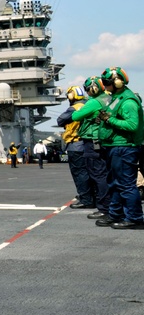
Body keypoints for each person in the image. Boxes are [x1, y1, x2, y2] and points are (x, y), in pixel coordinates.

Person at [93, 67, 144, 230]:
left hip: (123, 147)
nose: (105, 86)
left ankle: (135, 217)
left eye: (108, 83)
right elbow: (111, 115)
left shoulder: (128, 101)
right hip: (114, 146)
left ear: (117, 82)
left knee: (126, 184)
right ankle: (116, 214)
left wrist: (109, 120)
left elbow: (132, 125)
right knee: (115, 183)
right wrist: (102, 118)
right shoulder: (116, 98)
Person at [72, 76, 113, 217]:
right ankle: (109, 206)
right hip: (104, 140)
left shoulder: (94, 102)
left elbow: (75, 116)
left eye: (88, 89)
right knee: (105, 174)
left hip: (92, 141)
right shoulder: (109, 98)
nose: (88, 92)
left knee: (98, 175)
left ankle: (104, 209)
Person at [57, 86, 94, 208]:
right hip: (89, 144)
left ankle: (86, 199)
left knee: (79, 173)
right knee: (91, 172)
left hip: (76, 145)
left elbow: (60, 120)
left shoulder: (74, 108)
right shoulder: (89, 105)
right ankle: (91, 196)